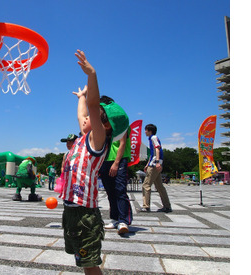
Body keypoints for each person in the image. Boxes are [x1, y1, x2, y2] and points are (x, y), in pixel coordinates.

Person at [60, 50, 129, 275]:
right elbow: (83, 113)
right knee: (82, 261)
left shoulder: (97, 140)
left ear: (104, 125)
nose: (85, 118)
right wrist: (81, 97)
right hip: (71, 210)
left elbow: (91, 106)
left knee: (90, 265)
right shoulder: (81, 139)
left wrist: (92, 75)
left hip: (84, 214)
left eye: (92, 116)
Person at [98, 96, 132, 234]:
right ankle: (115, 219)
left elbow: (122, 144)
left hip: (119, 159)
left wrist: (116, 163)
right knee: (110, 191)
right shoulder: (105, 124)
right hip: (105, 160)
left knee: (120, 190)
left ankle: (124, 220)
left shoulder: (120, 123)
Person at [140, 124, 172, 213]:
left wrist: (157, 162)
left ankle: (146, 206)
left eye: (146, 130)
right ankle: (167, 206)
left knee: (146, 185)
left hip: (154, 164)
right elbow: (152, 153)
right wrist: (147, 164)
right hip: (154, 163)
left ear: (150, 131)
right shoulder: (152, 138)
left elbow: (158, 149)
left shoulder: (153, 138)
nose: (145, 132)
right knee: (159, 186)